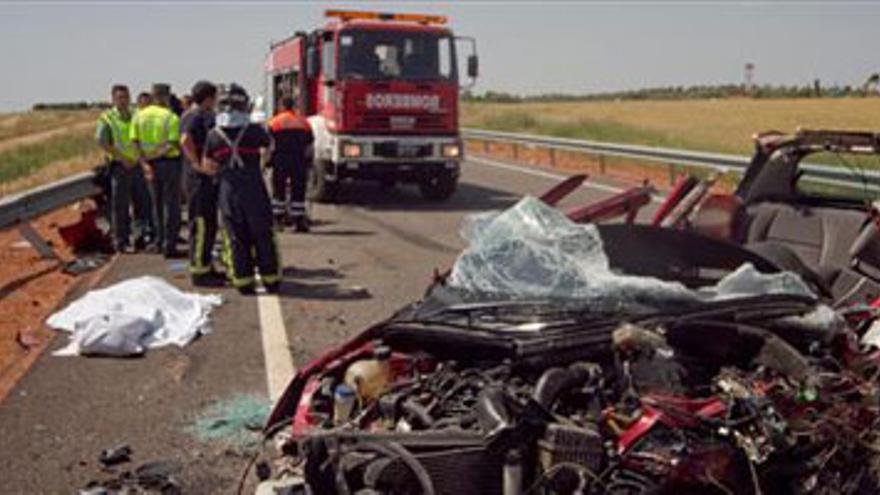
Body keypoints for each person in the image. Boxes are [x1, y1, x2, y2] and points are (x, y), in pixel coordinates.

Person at [202, 84, 280, 294]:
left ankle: (243, 281)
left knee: (235, 236)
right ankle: (270, 279)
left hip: (228, 190)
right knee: (262, 233)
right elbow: (269, 149)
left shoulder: (214, 135)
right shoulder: (254, 130)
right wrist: (258, 164)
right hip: (254, 187)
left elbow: (208, 165)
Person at [131, 83, 183, 258]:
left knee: (156, 204)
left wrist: (145, 163)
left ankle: (159, 240)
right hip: (169, 164)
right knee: (172, 205)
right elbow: (173, 143)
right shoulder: (171, 117)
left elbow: (134, 141)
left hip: (148, 165)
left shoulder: (138, 116)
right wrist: (156, 155)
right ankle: (170, 243)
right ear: (167, 97)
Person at [181, 81, 224, 286]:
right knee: (200, 224)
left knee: (209, 224)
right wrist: (197, 164)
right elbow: (185, 140)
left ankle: (206, 265)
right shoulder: (194, 116)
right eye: (214, 97)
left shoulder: (202, 116)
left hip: (205, 178)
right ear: (207, 98)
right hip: (198, 179)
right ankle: (199, 271)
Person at [96, 84, 148, 252]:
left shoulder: (136, 114)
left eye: (126, 97)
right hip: (120, 166)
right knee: (121, 206)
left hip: (137, 164)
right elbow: (102, 141)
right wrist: (122, 158)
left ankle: (140, 238)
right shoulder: (107, 118)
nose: (123, 101)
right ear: (113, 99)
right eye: (119, 98)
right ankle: (122, 241)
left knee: (141, 203)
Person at [268, 96, 314, 232]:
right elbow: (309, 146)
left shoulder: (274, 123)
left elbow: (269, 145)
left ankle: (278, 221)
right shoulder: (303, 122)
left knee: (278, 191)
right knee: (298, 191)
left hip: (280, 161)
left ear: (281, 106)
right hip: (298, 161)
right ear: (293, 106)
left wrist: (266, 161)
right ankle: (299, 222)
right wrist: (309, 161)